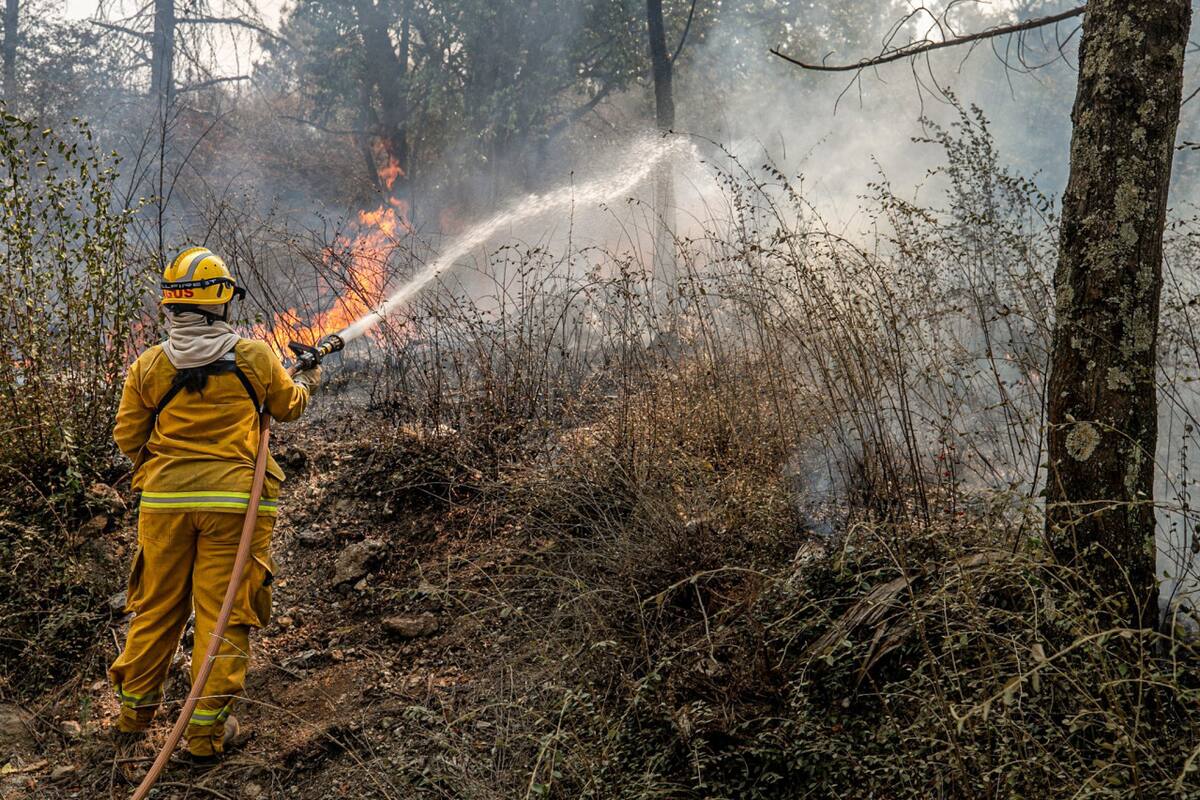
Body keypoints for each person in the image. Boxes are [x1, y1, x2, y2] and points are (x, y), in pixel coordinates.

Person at [108, 246, 321, 763]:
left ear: (174, 306)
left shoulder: (149, 364)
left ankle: (134, 718)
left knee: (155, 608)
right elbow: (288, 407)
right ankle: (203, 738)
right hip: (235, 507)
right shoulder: (253, 356)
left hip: (163, 507)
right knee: (222, 616)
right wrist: (309, 378)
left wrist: (165, 466)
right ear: (219, 301)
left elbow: (126, 437)